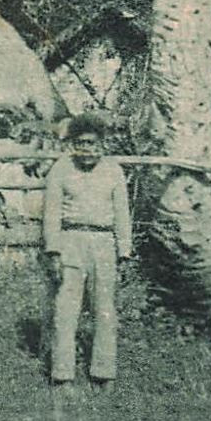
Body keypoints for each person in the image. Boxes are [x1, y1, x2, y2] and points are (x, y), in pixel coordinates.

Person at [42, 112, 133, 388]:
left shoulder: (113, 170)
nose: (87, 150)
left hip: (104, 244)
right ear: (72, 144)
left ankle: (103, 373)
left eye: (92, 144)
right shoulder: (61, 169)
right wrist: (53, 252)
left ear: (102, 144)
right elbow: (51, 213)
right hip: (71, 240)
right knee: (65, 311)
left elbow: (122, 214)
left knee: (104, 310)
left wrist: (124, 252)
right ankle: (62, 375)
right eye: (81, 144)